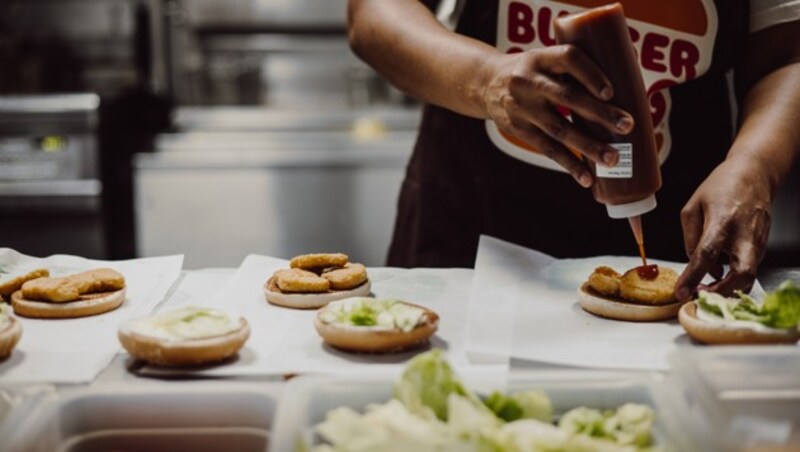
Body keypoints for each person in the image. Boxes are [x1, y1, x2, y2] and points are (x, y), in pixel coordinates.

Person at [347, 0, 800, 301]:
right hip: (472, 230)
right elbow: (372, 13)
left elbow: (786, 54)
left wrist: (753, 164)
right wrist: (487, 79)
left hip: (680, 241)